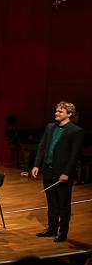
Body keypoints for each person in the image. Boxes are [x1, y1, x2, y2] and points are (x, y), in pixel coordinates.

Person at [31, 101, 84, 242]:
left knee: (63, 205)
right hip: (48, 170)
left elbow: (74, 155)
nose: (56, 113)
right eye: (56, 111)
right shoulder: (50, 127)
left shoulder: (76, 131)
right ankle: (51, 228)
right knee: (51, 202)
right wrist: (36, 165)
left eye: (60, 111)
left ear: (69, 114)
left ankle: (62, 232)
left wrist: (67, 172)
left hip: (63, 173)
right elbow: (42, 147)